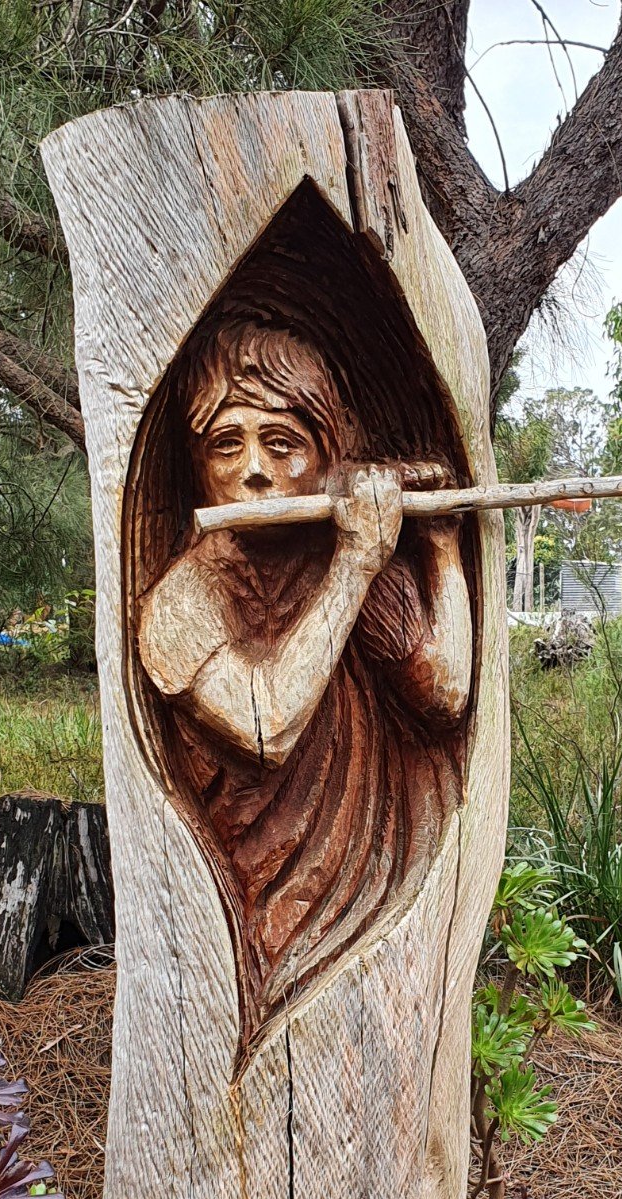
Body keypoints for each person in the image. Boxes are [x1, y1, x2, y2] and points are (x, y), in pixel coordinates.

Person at [138, 320, 473, 1034]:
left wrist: (440, 545)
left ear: (326, 459)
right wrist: (356, 562)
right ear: (198, 465)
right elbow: (266, 730)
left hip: (376, 909)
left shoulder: (357, 570)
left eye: (281, 443)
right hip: (254, 911)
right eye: (226, 445)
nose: (254, 471)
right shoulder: (182, 603)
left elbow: (443, 699)